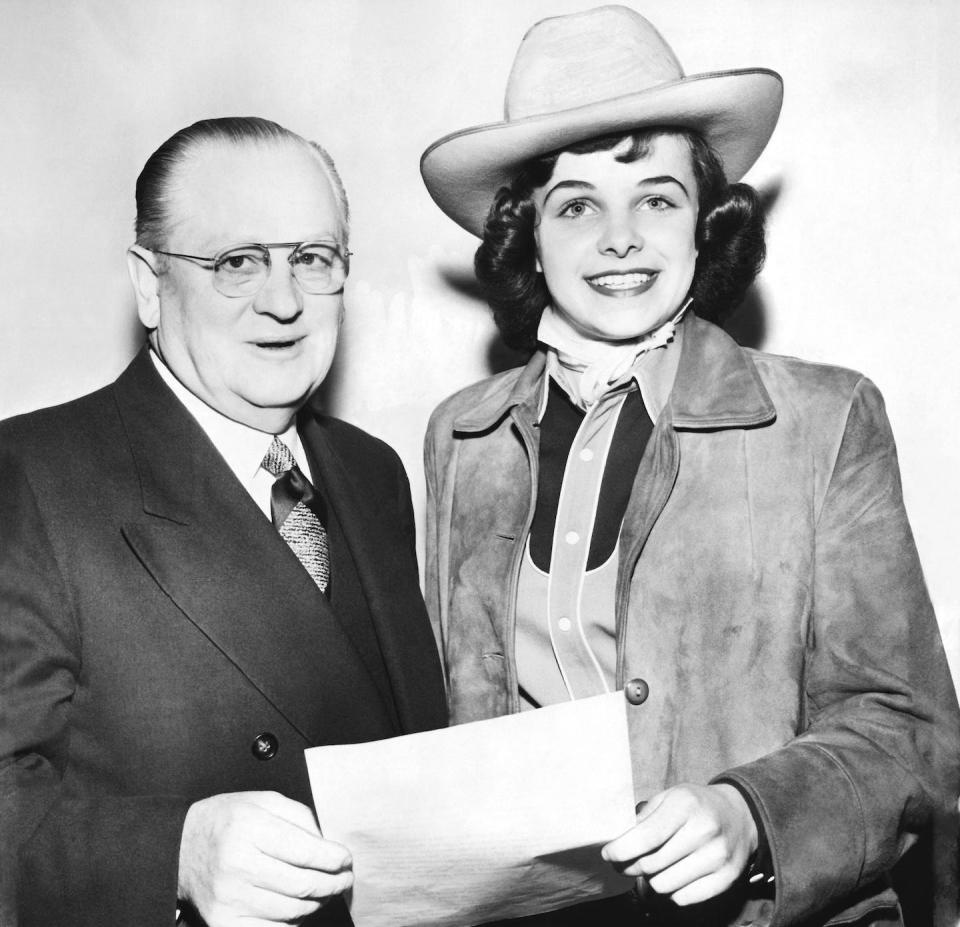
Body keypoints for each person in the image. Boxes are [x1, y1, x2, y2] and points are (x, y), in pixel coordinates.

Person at [420, 7, 959, 926]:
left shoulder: (825, 419)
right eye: (577, 204)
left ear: (707, 223)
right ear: (528, 237)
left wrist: (750, 813)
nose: (619, 237)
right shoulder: (460, 437)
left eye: (657, 198)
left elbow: (910, 734)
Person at [0, 116, 447, 926]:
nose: (282, 301)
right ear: (148, 283)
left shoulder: (375, 471)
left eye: (312, 259)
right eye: (236, 262)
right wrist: (172, 852)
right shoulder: (29, 477)